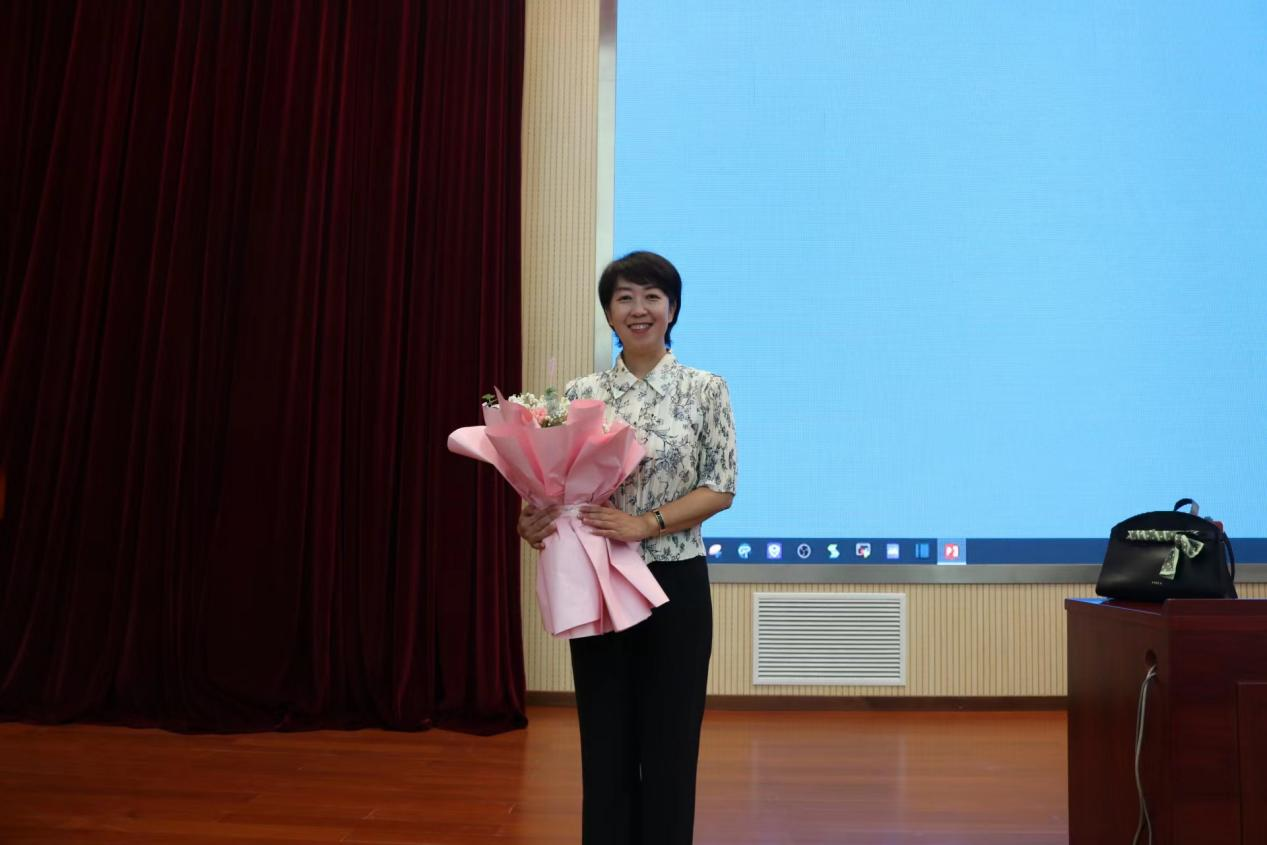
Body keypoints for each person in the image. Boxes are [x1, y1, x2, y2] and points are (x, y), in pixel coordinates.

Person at [517, 251, 737, 845]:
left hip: (675, 584)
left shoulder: (705, 389)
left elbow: (720, 488)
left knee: (671, 745)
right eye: (624, 298)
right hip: (597, 581)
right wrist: (532, 520)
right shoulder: (580, 394)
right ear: (609, 314)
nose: (639, 309)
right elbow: (553, 488)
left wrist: (645, 524)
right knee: (605, 741)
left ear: (672, 309)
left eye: (652, 296)